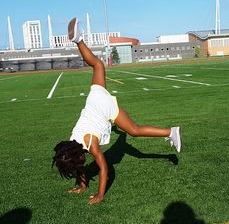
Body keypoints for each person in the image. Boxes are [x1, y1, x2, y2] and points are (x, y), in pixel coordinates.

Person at [52, 18, 182, 205]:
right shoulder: (72, 142)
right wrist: (82, 185)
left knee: (134, 131)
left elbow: (104, 169)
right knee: (97, 65)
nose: (80, 164)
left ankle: (172, 131)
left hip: (103, 107)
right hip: (93, 100)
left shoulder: (90, 144)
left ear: (79, 155)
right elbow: (78, 164)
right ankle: (79, 40)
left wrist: (100, 194)